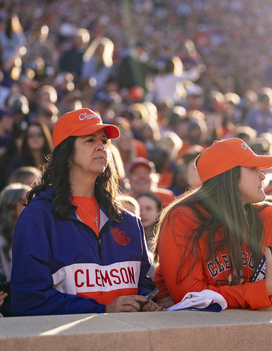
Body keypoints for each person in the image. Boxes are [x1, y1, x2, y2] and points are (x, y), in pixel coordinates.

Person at [11, 107, 163, 315]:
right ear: (67, 155)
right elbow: (29, 299)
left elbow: (142, 284)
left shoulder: (128, 221)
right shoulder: (37, 217)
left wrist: (146, 302)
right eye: (90, 140)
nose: (101, 146)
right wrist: (102, 310)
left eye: (104, 141)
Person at [153, 138, 272, 310]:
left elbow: (270, 289)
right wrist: (261, 290)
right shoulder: (182, 217)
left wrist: (260, 291)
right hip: (187, 329)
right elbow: (190, 297)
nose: (263, 175)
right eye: (253, 168)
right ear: (229, 176)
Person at [0, 183, 30, 280]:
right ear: (12, 207)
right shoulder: (2, 237)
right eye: (26, 202)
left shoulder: (33, 230)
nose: (31, 206)